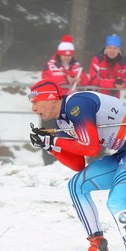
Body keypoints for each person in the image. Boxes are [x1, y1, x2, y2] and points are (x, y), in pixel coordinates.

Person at [28, 79, 126, 251]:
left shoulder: (76, 105)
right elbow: (77, 164)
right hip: (125, 150)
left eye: (36, 102)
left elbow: (91, 148)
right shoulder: (63, 121)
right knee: (77, 185)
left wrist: (55, 140)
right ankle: (98, 249)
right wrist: (51, 147)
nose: (33, 108)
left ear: (50, 98)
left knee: (117, 200)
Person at [40, 34, 89, 165]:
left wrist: (80, 79)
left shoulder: (76, 65)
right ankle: (48, 161)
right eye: (64, 55)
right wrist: (66, 79)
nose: (67, 57)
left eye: (69, 55)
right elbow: (46, 79)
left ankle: (69, 161)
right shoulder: (51, 65)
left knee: (69, 133)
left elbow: (85, 79)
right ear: (60, 54)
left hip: (68, 105)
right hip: (50, 104)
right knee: (47, 132)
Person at [89, 34, 126, 98]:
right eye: (109, 48)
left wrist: (123, 83)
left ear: (119, 49)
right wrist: (112, 83)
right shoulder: (98, 60)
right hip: (98, 97)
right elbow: (93, 80)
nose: (112, 51)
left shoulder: (125, 62)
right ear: (106, 48)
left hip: (115, 98)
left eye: (115, 48)